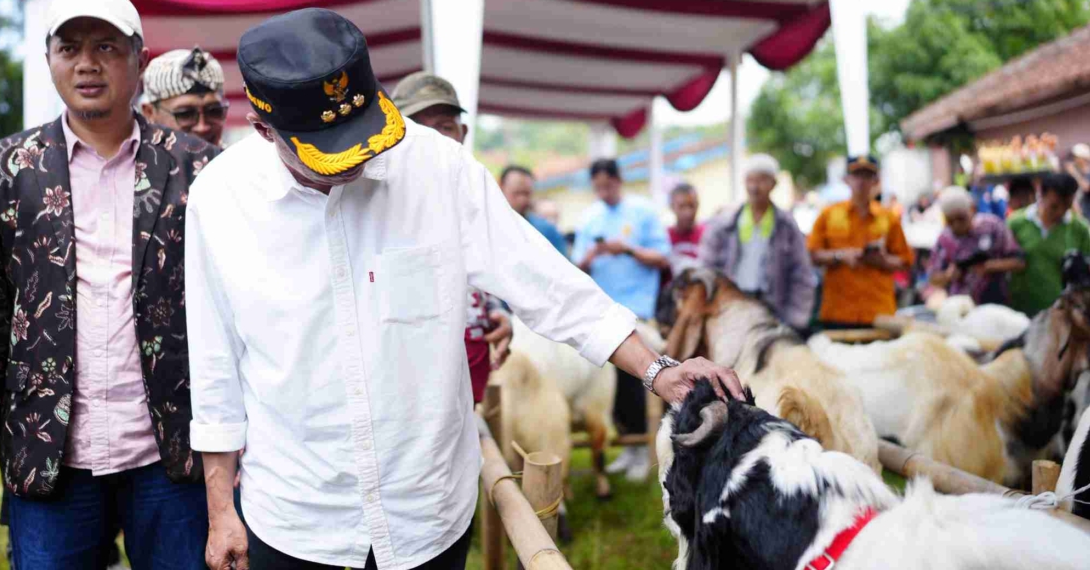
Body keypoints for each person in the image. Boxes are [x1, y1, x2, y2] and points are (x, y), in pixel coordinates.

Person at [187, 10, 742, 570]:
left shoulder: (437, 167)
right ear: (264, 129)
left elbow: (547, 284)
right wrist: (220, 510)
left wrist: (659, 369)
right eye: (332, 149)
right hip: (298, 520)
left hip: (427, 513)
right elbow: (214, 367)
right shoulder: (219, 201)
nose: (359, 157)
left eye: (363, 134)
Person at [0, 1, 220, 568]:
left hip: (170, 451)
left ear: (138, 60)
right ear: (48, 58)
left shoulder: (199, 168)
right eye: (69, 48)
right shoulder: (5, 170)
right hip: (51, 454)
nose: (87, 65)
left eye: (106, 47)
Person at [390, 71, 512, 405]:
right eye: (416, 127)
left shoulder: (475, 196)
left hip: (467, 376)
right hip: (402, 390)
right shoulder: (368, 200)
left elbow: (497, 269)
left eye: (444, 127)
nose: (432, 140)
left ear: (462, 133)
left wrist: (497, 310)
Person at [572, 158, 671, 482]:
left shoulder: (642, 211)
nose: (603, 192)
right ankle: (627, 447)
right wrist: (593, 255)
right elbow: (577, 265)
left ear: (618, 181)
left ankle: (643, 449)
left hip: (637, 310)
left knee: (636, 379)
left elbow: (661, 257)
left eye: (608, 185)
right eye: (598, 187)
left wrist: (627, 249)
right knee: (608, 382)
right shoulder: (590, 218)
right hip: (602, 310)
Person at [699, 154, 816, 332]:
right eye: (750, 180)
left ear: (773, 184)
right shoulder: (725, 222)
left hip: (773, 311)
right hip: (731, 306)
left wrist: (796, 319)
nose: (754, 187)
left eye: (761, 180)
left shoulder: (786, 226)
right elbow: (707, 267)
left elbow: (802, 274)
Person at [807, 155, 913, 328]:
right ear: (846, 180)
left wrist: (882, 261)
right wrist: (840, 256)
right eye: (856, 175)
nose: (861, 182)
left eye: (867, 176)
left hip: (879, 312)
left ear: (876, 181)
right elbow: (812, 255)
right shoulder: (828, 215)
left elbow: (905, 261)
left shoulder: (888, 218)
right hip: (838, 311)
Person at [1008, 173, 1090, 316]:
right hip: (1020, 311)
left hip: (1060, 314)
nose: (1061, 211)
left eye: (1067, 206)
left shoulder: (1079, 229)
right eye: (1054, 206)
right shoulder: (1016, 223)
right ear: (1041, 194)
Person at [927, 186, 1024, 305]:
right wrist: (948, 275)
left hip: (995, 306)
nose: (957, 225)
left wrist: (990, 266)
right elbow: (933, 278)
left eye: (961, 218)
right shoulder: (945, 239)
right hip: (960, 310)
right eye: (951, 221)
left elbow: (1019, 261)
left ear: (972, 209)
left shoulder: (992, 227)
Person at [140, 46, 228, 146]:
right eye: (185, 114)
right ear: (149, 113)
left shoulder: (241, 160)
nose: (202, 127)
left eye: (214, 111)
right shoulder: (131, 160)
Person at [496, 164, 568, 256]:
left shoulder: (546, 231)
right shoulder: (485, 228)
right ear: (500, 188)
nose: (522, 200)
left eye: (526, 194)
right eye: (517, 193)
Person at [668, 182, 703, 262]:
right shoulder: (664, 237)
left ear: (697, 205)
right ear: (672, 207)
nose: (688, 212)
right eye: (682, 206)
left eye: (691, 205)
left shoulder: (707, 235)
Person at [1066, 143, 1090, 219]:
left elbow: (1087, 187)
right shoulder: (1078, 173)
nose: (1075, 160)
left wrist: (1074, 173)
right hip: (1079, 212)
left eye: (1076, 157)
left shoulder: (1087, 172)